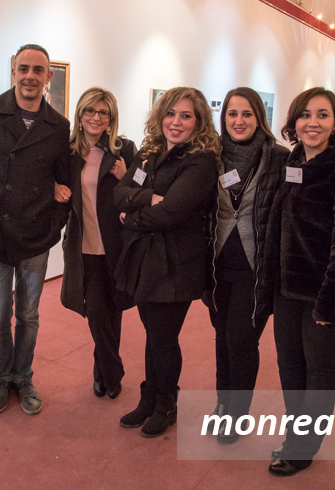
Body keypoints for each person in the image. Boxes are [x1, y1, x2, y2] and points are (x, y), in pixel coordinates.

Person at [262, 88, 335, 476]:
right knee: (290, 365)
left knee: (320, 371)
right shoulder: (295, 161)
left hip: (325, 294)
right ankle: (296, 434)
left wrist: (334, 302)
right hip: (287, 289)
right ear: (294, 121)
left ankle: (303, 446)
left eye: (322, 115)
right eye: (305, 115)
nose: (312, 123)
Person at [0, 44, 70, 416]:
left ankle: (22, 377)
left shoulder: (59, 126)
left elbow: (64, 184)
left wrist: (53, 229)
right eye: (24, 68)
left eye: (38, 70)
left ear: (48, 76)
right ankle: (2, 377)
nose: (30, 76)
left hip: (35, 238)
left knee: (28, 316)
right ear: (13, 71)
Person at [114, 87, 219, 438]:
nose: (176, 122)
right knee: (153, 334)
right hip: (145, 259)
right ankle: (149, 399)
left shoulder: (201, 160)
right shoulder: (149, 152)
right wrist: (149, 198)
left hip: (176, 265)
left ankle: (166, 404)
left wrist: (131, 217)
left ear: (198, 121)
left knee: (163, 337)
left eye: (186, 116)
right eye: (171, 113)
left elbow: (172, 212)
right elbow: (119, 193)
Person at [204, 87, 289, 443]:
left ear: (259, 118)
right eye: (232, 114)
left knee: (241, 341)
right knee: (222, 339)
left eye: (247, 114)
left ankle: (237, 416)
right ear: (223, 118)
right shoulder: (212, 155)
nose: (239, 121)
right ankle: (223, 406)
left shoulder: (279, 158)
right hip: (217, 267)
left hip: (257, 269)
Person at [58, 87, 137, 399]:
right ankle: (113, 372)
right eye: (90, 111)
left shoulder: (124, 149)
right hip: (84, 248)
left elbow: (142, 190)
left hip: (116, 247)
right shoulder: (67, 153)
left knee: (113, 309)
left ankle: (101, 373)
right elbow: (53, 186)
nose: (96, 117)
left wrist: (126, 176)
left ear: (111, 118)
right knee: (96, 311)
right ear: (80, 114)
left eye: (104, 112)